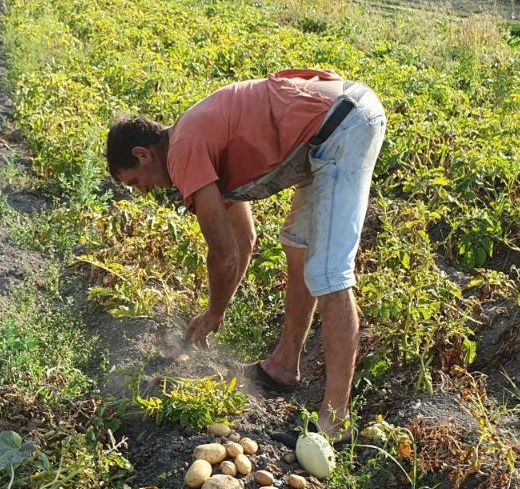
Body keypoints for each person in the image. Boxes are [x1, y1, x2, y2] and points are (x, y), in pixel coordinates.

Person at [105, 69, 386, 437]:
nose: (143, 190)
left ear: (143, 155)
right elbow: (243, 239)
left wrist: (215, 312)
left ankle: (335, 421)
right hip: (330, 128)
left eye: (134, 182)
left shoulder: (184, 149)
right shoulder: (193, 140)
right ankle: (285, 364)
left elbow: (223, 253)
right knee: (297, 244)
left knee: (330, 273)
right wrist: (213, 312)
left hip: (343, 126)